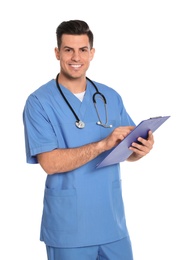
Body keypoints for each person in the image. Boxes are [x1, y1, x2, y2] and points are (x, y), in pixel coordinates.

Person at [23, 20, 154, 260]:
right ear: (57, 53)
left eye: (83, 49)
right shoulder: (39, 102)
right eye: (68, 49)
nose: (76, 57)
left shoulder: (110, 96)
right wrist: (101, 145)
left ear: (91, 53)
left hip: (112, 223)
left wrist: (140, 149)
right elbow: (50, 163)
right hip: (69, 229)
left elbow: (128, 150)